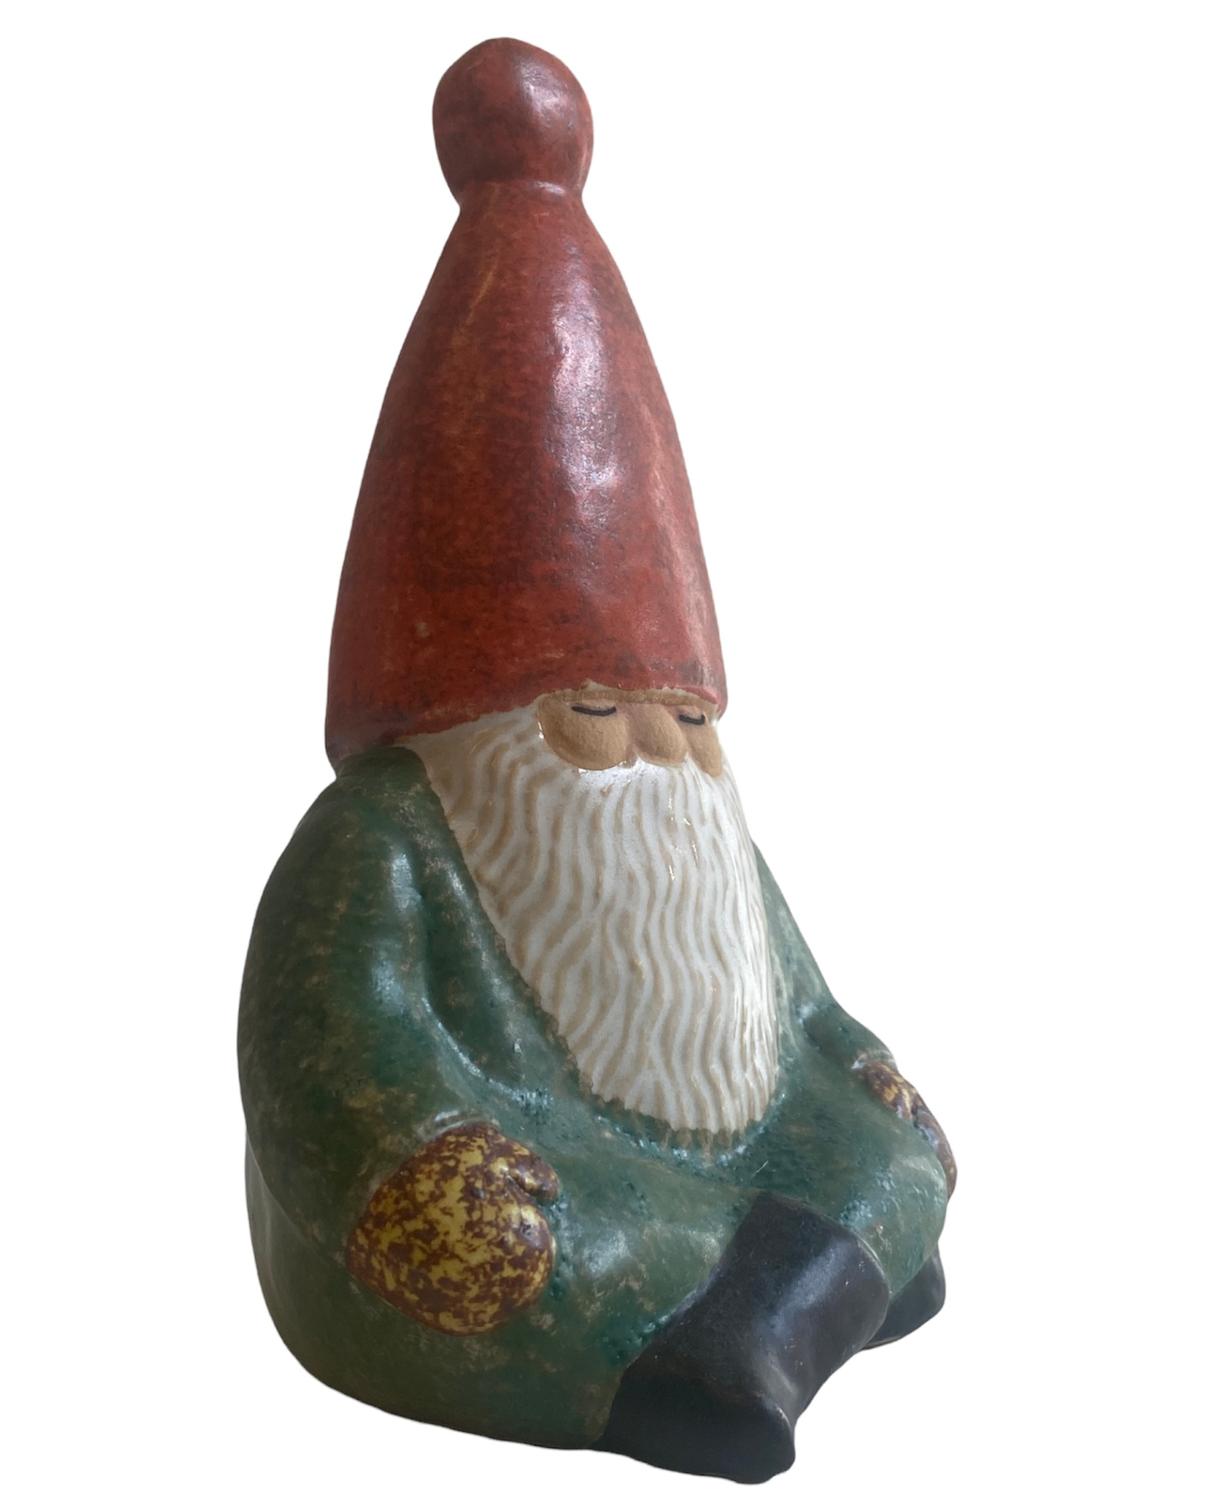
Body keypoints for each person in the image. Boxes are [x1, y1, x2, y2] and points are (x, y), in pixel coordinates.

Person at [239, 37, 953, 1482]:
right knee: (530, 1245)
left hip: (727, 1159)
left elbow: (798, 1003)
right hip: (534, 1171)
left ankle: (748, 1331)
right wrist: (425, 1157)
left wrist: (854, 1064)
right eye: (593, 713)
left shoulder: (700, 820)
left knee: (897, 1148)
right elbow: (337, 1053)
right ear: (488, 722)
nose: (654, 750)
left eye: (683, 719)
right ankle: (786, 1309)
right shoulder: (387, 835)